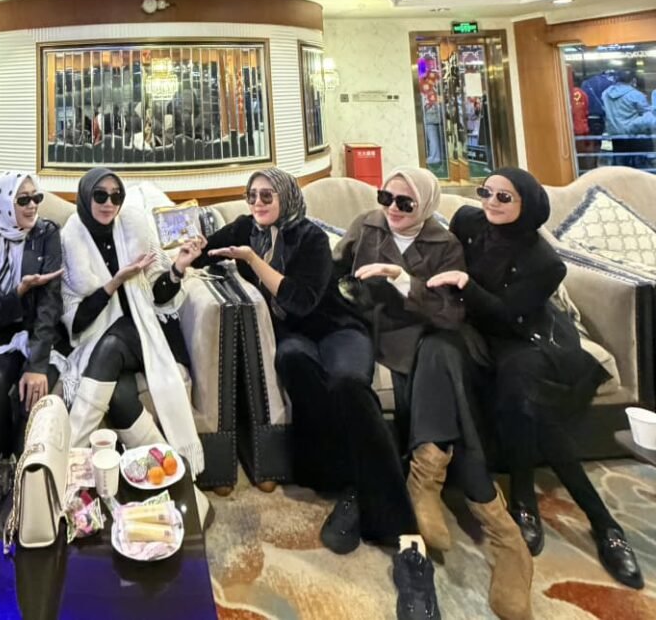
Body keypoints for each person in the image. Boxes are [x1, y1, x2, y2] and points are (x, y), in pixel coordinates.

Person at [182, 167, 439, 618]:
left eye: (267, 195)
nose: (257, 203)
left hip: (337, 328)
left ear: (286, 196)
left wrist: (253, 260)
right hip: (295, 339)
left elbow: (300, 300)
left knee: (347, 384)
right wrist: (187, 255)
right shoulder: (246, 229)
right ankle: (354, 480)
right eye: (251, 195)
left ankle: (407, 543)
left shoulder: (310, 238)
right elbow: (208, 253)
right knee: (293, 363)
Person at [428, 167, 644, 591]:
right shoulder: (467, 222)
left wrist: (465, 283)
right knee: (520, 405)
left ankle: (594, 520)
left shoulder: (546, 262)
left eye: (504, 197)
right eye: (486, 192)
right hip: (476, 332)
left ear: (527, 204)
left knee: (525, 403)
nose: (491, 202)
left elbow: (508, 315)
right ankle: (541, 503)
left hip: (524, 338)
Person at [336, 167, 532, 620]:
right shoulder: (366, 226)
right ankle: (501, 531)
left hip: (427, 337)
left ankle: (430, 484)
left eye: (405, 203)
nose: (392, 209)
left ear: (424, 205)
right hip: (385, 338)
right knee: (448, 377)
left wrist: (401, 279)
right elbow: (335, 273)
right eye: (386, 197)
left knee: (441, 351)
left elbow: (449, 316)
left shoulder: (444, 244)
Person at [60, 167, 204, 475]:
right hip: (101, 339)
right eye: (101, 195)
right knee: (121, 396)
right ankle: (171, 472)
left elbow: (159, 297)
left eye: (116, 196)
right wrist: (115, 282)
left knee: (112, 344)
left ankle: (65, 460)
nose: (109, 203)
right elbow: (78, 321)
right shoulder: (71, 241)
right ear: (85, 197)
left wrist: (178, 267)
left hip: (148, 331)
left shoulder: (134, 228)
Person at [0, 171, 65, 459]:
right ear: (3, 204)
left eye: (36, 197)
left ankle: (26, 470)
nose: (32, 206)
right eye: (23, 200)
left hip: (39, 334)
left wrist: (37, 364)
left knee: (33, 397)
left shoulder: (47, 234)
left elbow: (49, 305)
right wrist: (18, 293)